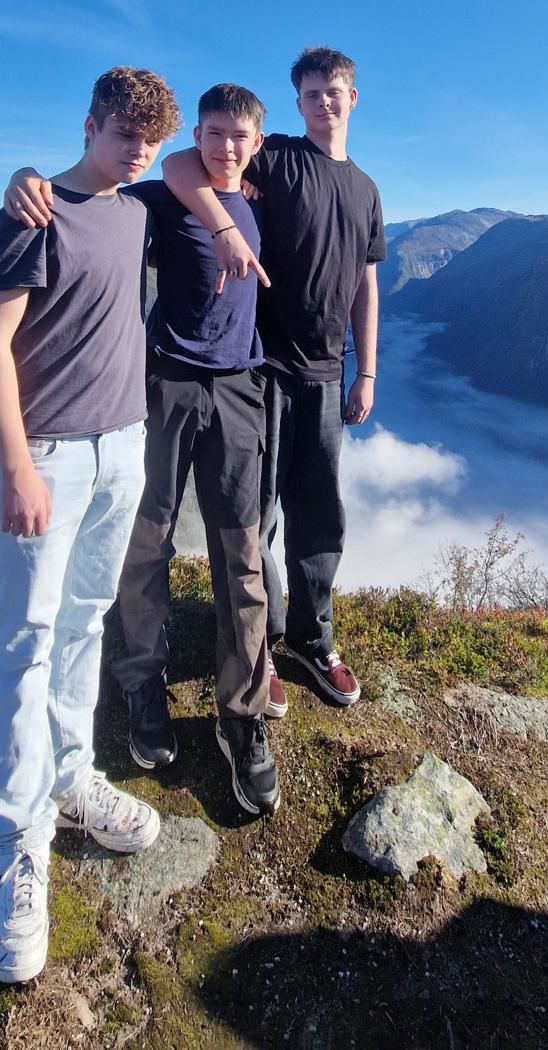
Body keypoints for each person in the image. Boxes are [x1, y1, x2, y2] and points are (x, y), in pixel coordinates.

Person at [4, 84, 286, 819]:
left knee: (241, 553)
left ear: (258, 141)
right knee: (144, 544)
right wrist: (25, 180)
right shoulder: (161, 200)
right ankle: (141, 685)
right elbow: (105, 191)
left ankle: (242, 714)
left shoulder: (265, 197)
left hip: (239, 391)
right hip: (159, 386)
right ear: (198, 135)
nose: (227, 146)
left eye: (240, 136)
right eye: (215, 133)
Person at [0, 66, 180, 986]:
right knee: (22, 641)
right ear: (90, 124)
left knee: (84, 623)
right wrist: (17, 463)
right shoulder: (28, 214)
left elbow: (212, 185)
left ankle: (71, 778)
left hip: (122, 448)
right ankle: (19, 848)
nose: (137, 150)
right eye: (124, 133)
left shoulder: (139, 209)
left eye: (151, 140)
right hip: (50, 456)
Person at [159, 47, 384, 707]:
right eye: (311, 93)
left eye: (333, 91)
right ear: (297, 104)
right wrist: (226, 227)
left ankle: (314, 643)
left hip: (324, 370)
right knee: (254, 517)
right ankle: (259, 644)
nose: (323, 103)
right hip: (261, 367)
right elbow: (179, 162)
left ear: (353, 96)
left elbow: (366, 286)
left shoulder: (367, 189)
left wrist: (365, 371)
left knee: (320, 514)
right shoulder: (279, 157)